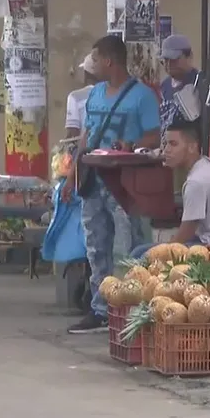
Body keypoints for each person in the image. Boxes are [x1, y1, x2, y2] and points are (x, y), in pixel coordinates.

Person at [63, 34, 161, 334]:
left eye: (95, 57)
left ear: (108, 60)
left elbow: (155, 136)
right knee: (95, 245)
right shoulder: (94, 95)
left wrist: (130, 144)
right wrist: (71, 174)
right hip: (93, 179)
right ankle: (100, 308)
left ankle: (128, 307)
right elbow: (86, 135)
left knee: (127, 245)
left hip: (125, 183)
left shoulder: (142, 96)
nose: (91, 64)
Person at [130, 120, 210, 258]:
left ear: (192, 147)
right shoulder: (207, 163)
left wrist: (163, 251)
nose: (166, 150)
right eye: (166, 144)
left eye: (173, 144)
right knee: (138, 252)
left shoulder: (196, 182)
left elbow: (185, 233)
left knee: (143, 257)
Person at [159, 34, 210, 143]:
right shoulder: (165, 85)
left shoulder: (202, 84)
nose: (169, 64)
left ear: (189, 57)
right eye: (165, 60)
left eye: (174, 59)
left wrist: (203, 150)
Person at [64, 53, 100, 140]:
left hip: (85, 149)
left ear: (86, 73)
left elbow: (73, 133)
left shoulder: (75, 97)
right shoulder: (112, 93)